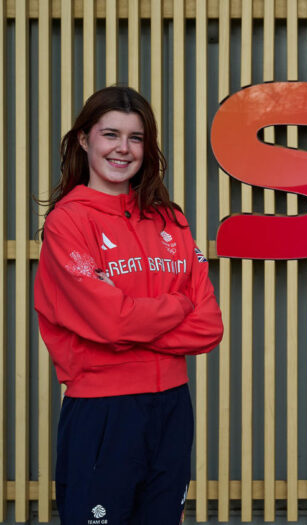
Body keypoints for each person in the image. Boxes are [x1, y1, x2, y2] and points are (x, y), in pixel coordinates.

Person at [34, 86, 223, 524]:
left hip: (172, 407)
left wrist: (129, 318)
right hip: (103, 411)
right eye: (110, 135)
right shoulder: (68, 223)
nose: (123, 149)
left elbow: (209, 326)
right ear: (84, 140)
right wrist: (177, 304)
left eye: (135, 138)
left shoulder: (170, 221)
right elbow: (112, 321)